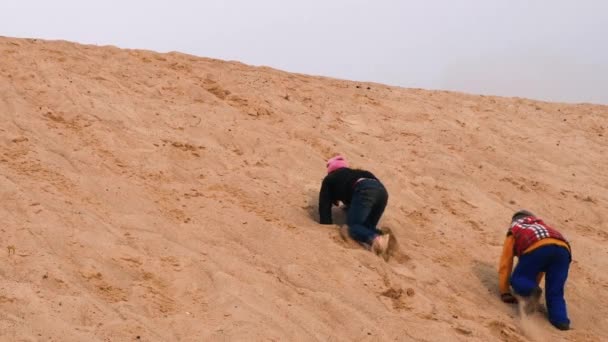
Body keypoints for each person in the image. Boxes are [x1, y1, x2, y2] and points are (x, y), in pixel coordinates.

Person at [498, 210, 572, 330]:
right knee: (556, 290)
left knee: (519, 278)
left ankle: (530, 288)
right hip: (563, 250)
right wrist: (535, 284)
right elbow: (540, 268)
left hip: (537, 246)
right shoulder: (543, 225)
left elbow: (506, 263)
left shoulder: (514, 229)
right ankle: (561, 321)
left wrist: (505, 291)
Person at [318, 155, 391, 257]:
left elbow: (324, 206)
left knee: (352, 227)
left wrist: (326, 225)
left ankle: (376, 239)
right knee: (365, 226)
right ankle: (384, 237)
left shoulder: (329, 179)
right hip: (382, 193)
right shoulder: (359, 173)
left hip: (364, 190)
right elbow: (356, 198)